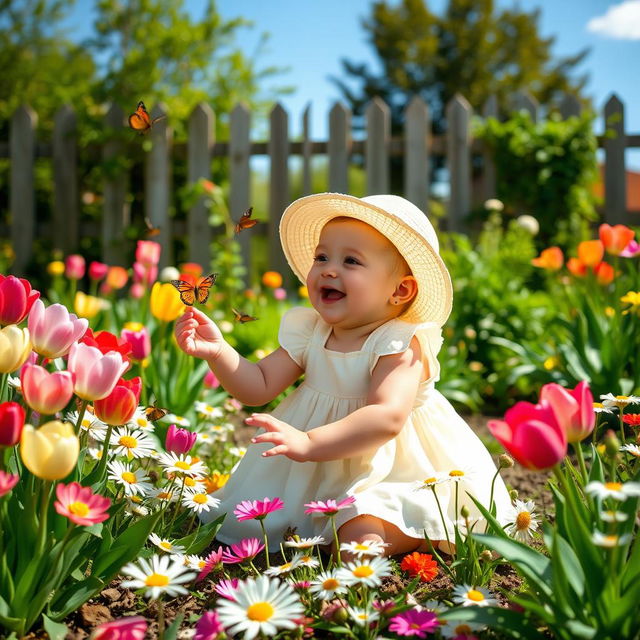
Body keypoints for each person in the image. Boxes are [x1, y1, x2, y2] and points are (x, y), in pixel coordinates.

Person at [175, 193, 512, 557]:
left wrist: (310, 443)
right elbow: (258, 386)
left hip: (388, 468)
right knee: (255, 518)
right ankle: (331, 529)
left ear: (400, 290)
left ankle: (408, 533)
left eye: (351, 261)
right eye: (322, 257)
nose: (328, 269)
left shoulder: (397, 343)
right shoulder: (311, 333)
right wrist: (219, 352)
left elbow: (386, 417)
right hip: (313, 471)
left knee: (358, 527)